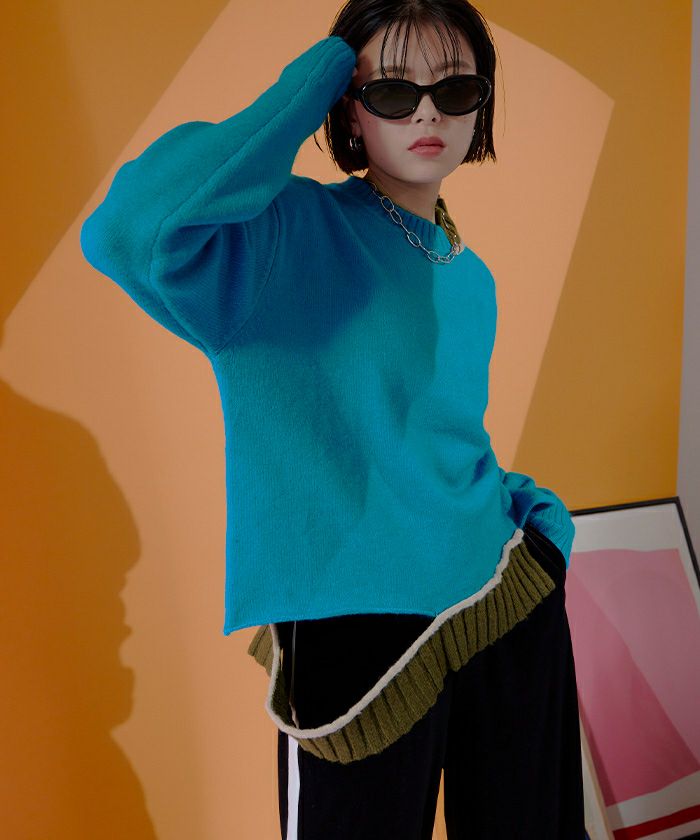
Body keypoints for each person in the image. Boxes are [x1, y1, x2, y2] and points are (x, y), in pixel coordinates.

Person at [80, 0, 585, 836]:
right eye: (392, 90)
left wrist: (534, 524)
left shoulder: (470, 275)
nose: (427, 112)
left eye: (455, 88)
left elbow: (441, 436)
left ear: (481, 104)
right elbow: (129, 231)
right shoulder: (281, 234)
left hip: (493, 594)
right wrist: (318, 74)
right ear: (350, 108)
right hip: (357, 630)